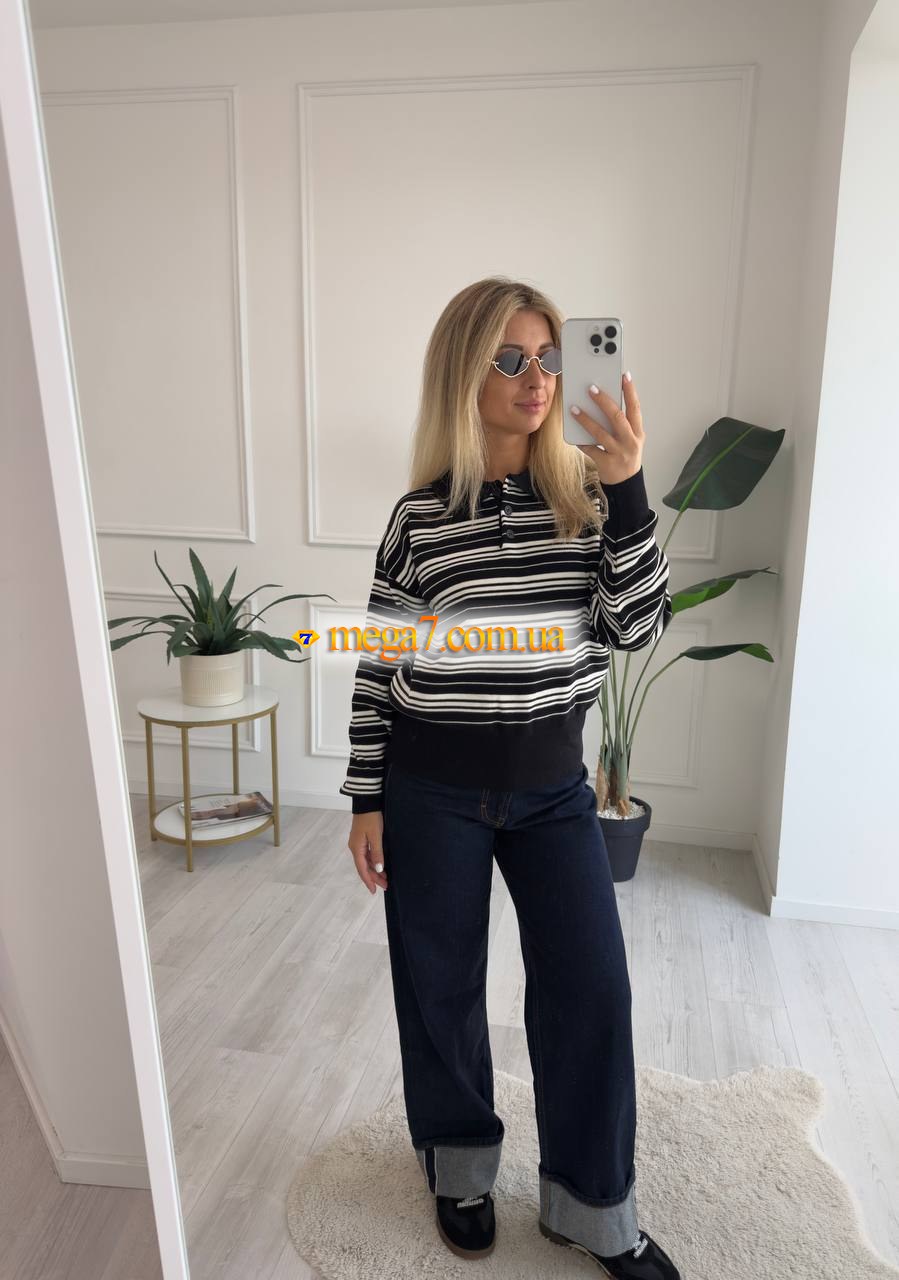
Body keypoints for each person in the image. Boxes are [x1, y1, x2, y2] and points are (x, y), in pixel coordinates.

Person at [339, 277, 680, 1279]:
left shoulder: (588, 501)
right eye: (511, 359)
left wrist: (627, 489)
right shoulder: (418, 518)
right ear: (464, 372)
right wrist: (366, 796)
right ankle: (459, 1169)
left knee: (590, 988)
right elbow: (378, 666)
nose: (538, 379)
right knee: (438, 987)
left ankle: (590, 1207)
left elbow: (636, 628)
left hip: (551, 793)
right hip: (429, 789)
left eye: (549, 358)